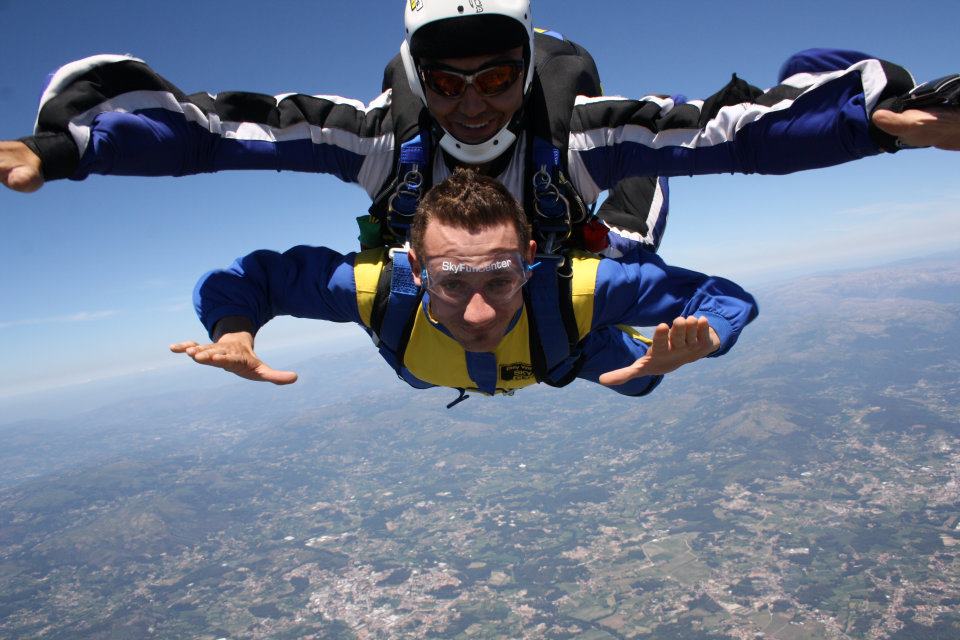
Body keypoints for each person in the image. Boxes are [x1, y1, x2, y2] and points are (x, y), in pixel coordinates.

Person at [2, 2, 957, 248]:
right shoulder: (376, 135)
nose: (472, 102)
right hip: (470, 259)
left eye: (497, 75)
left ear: (524, 67)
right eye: (446, 82)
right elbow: (220, 132)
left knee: (621, 266)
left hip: (587, 217)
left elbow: (733, 135)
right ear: (418, 78)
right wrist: (66, 151)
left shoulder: (581, 130)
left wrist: (885, 126)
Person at [171, 168, 757, 404]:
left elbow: (725, 299)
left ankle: (633, 157)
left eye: (502, 280)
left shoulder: (579, 289)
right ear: (417, 271)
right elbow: (257, 279)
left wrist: (706, 340)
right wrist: (235, 330)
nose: (478, 313)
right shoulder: (377, 290)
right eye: (452, 283)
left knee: (637, 369)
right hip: (553, 350)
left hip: (565, 343)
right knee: (636, 380)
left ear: (529, 261)